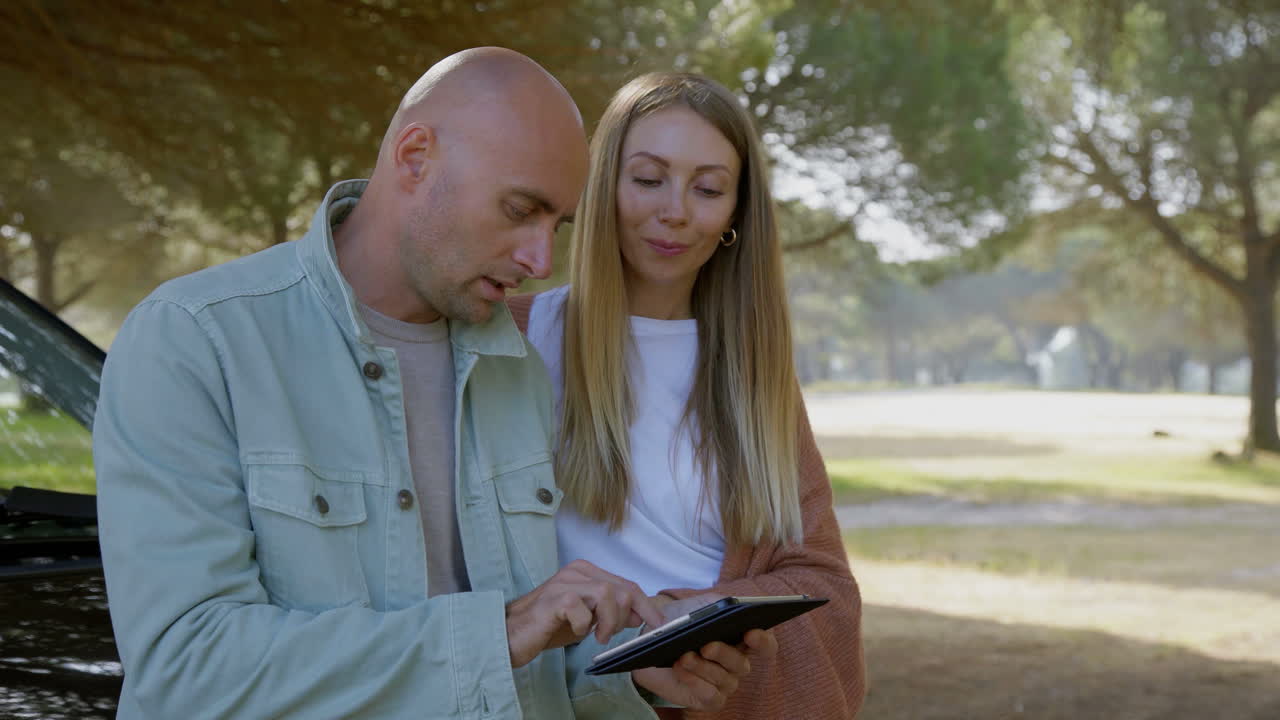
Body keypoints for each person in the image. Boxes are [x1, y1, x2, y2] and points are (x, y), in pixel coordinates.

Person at [93, 49, 767, 719]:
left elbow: (517, 667)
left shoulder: (516, 369)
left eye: (554, 226)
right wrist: (497, 635)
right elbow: (188, 668)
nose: (538, 259)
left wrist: (632, 669)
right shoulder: (196, 340)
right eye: (519, 210)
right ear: (416, 157)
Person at [507, 72, 866, 719]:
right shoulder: (513, 338)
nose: (675, 210)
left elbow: (826, 585)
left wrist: (697, 612)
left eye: (707, 188)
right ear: (603, 185)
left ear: (735, 214)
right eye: (648, 179)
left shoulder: (757, 376)